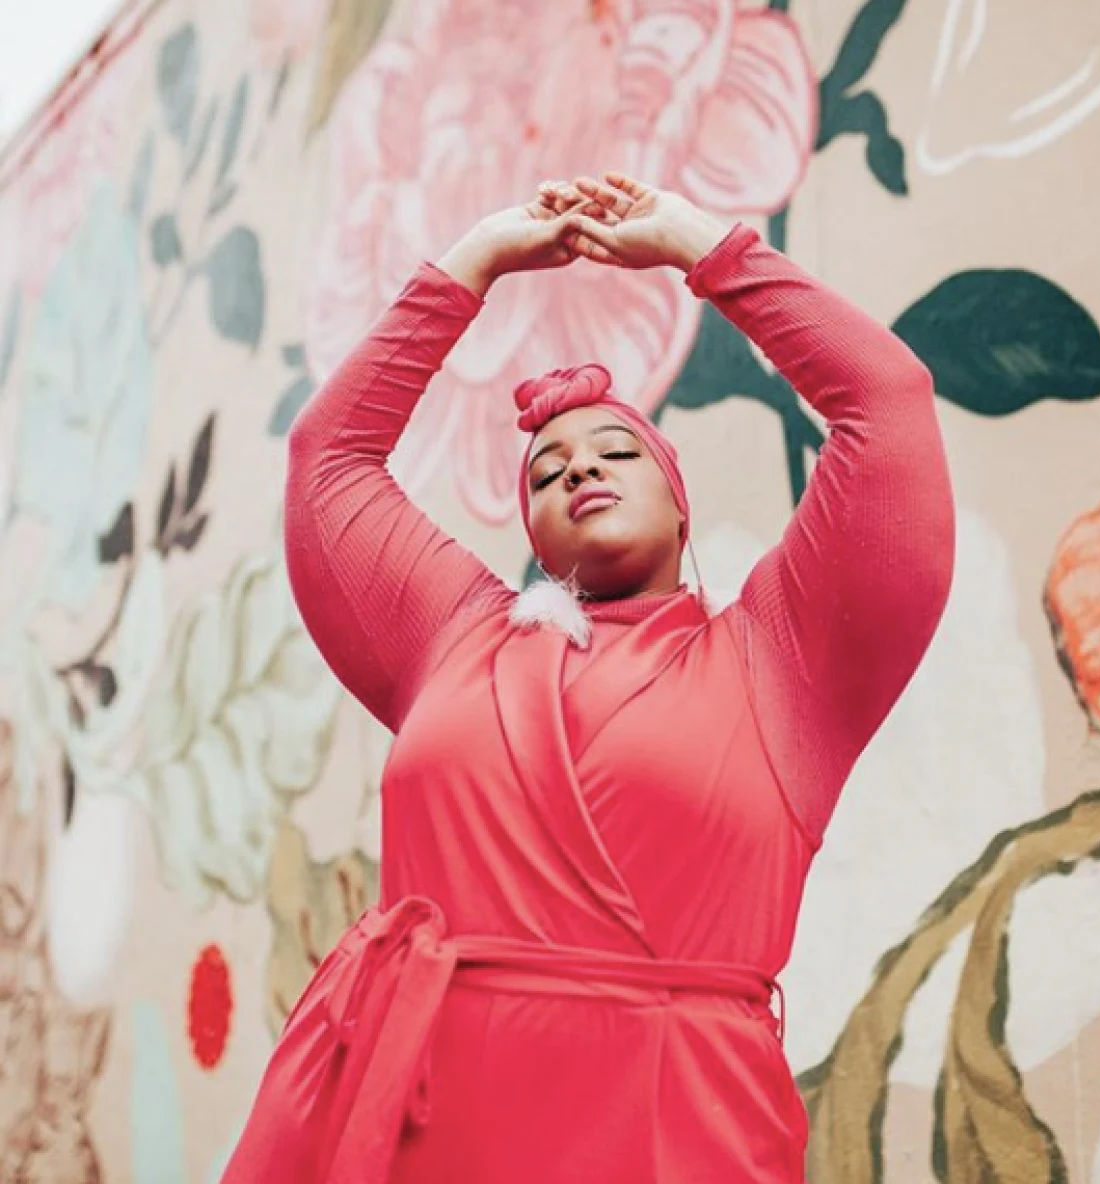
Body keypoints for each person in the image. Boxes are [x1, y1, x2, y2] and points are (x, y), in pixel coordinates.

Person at [222, 173, 955, 1183]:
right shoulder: (452, 636)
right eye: (543, 469)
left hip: (678, 1129)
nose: (576, 467)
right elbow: (329, 457)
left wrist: (702, 248)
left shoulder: (781, 663)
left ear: (680, 503)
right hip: (433, 1131)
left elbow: (883, 400)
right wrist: (469, 264)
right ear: (530, 527)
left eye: (616, 447)